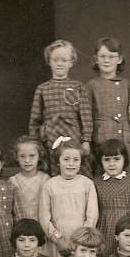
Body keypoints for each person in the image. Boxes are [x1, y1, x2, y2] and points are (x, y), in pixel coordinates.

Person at [28, 39, 93, 176]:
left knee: (76, 167)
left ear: (71, 62)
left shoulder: (78, 86)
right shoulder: (42, 88)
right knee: (54, 171)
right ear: (49, 61)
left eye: (64, 60)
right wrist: (35, 144)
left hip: (73, 135)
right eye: (55, 60)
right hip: (51, 136)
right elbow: (35, 119)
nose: (59, 63)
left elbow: (86, 116)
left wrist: (86, 140)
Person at [39, 136, 99, 257]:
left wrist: (81, 240)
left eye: (76, 159)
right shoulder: (50, 185)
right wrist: (58, 240)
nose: (71, 164)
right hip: (58, 241)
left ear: (81, 162)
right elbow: (44, 218)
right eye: (66, 159)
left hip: (81, 242)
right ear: (58, 161)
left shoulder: (87, 184)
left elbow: (92, 215)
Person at [92, 138, 130, 256]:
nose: (111, 164)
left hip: (127, 226)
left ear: (124, 159)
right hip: (103, 225)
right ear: (101, 161)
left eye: (116, 159)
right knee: (104, 255)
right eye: (107, 160)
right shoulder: (96, 183)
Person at [87, 36, 130, 158]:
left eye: (111, 57)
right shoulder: (92, 85)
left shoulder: (127, 84)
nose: (106, 60)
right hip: (102, 136)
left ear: (119, 59)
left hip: (124, 136)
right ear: (96, 59)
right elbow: (87, 116)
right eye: (102, 56)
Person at [8, 135, 50, 221]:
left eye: (32, 156)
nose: (27, 160)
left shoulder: (45, 179)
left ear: (40, 156)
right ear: (16, 157)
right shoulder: (13, 181)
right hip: (20, 225)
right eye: (22, 156)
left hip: (41, 225)